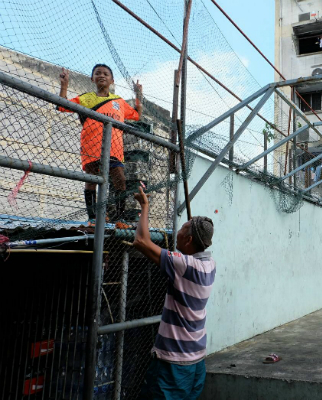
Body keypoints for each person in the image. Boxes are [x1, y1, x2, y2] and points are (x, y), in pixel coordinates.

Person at [132, 185, 216, 399]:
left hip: (174, 362)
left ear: (188, 240)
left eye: (183, 228)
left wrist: (145, 206)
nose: (176, 232)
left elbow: (141, 241)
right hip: (197, 359)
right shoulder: (209, 264)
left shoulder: (184, 265)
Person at [58, 64, 143, 228]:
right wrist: (64, 86)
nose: (102, 75)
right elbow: (62, 106)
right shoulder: (86, 98)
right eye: (98, 73)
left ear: (112, 80)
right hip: (92, 148)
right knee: (91, 182)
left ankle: (120, 218)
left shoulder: (118, 102)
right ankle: (93, 218)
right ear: (92, 78)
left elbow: (137, 114)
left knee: (120, 181)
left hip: (115, 150)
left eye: (105, 73)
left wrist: (138, 94)